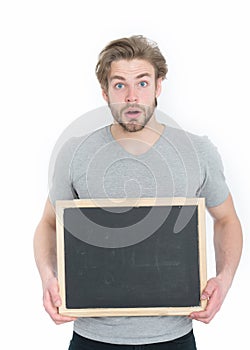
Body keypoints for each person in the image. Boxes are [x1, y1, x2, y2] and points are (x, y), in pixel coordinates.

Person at [34, 35, 243, 349]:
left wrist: (224, 280)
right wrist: (48, 278)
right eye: (119, 85)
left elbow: (226, 219)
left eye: (142, 83)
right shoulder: (76, 153)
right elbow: (49, 223)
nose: (132, 97)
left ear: (158, 87)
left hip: (174, 337)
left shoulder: (196, 152)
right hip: (92, 337)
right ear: (104, 92)